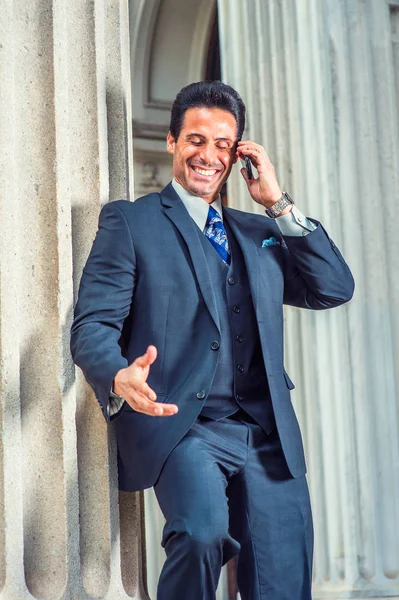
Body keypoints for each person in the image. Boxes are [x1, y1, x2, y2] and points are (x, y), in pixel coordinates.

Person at [71, 81, 354, 600]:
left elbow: (334, 288)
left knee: (284, 582)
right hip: (186, 427)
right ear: (173, 142)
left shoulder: (257, 231)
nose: (209, 155)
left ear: (237, 154)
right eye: (196, 140)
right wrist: (116, 373)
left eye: (223, 145)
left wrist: (278, 203)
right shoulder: (131, 223)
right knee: (200, 536)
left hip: (268, 434)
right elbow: (92, 324)